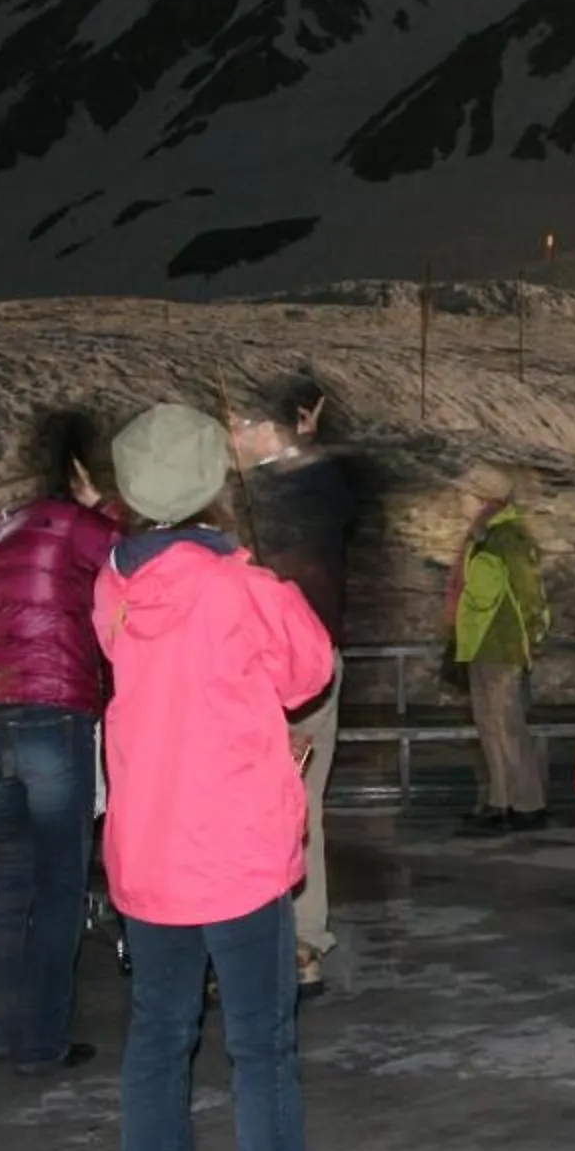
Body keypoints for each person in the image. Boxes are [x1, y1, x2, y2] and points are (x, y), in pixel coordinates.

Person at [93, 402, 363, 1151]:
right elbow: (309, 671)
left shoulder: (115, 586)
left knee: (158, 1034)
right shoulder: (240, 587)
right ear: (214, 483)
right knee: (261, 1047)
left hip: (149, 850)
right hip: (235, 849)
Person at [0, 414, 120, 1074]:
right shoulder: (74, 526)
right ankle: (41, 1040)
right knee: (61, 886)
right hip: (51, 717)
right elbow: (130, 576)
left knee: (6, 880)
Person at [228, 374, 360, 996]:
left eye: (239, 423)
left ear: (268, 428)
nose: (230, 436)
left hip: (292, 666)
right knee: (281, 804)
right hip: (276, 661)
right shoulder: (282, 486)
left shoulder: (301, 487)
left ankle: (298, 941)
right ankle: (283, 936)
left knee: (293, 801)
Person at [450, 461, 551, 834]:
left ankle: (527, 803)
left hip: (501, 645)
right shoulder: (485, 535)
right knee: (491, 725)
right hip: (483, 644)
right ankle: (501, 800)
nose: (458, 500)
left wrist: (528, 638)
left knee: (506, 725)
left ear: (482, 498)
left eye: (464, 493)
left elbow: (523, 594)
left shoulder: (506, 538)